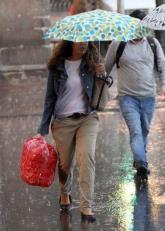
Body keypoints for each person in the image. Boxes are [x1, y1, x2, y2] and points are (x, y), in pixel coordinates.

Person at [37, 40, 104, 223]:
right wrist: (42, 129)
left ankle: (86, 207)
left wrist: (101, 75)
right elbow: (49, 98)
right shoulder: (57, 66)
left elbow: (101, 92)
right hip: (63, 122)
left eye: (86, 41)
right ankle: (64, 193)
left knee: (86, 158)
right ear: (70, 42)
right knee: (65, 164)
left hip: (87, 118)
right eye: (79, 42)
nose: (83, 45)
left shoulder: (91, 62)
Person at [104, 9, 165, 181]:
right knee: (135, 131)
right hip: (127, 97)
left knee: (145, 130)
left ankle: (139, 159)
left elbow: (162, 66)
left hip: (148, 96)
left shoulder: (152, 43)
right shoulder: (118, 44)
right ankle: (141, 163)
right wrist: (100, 85)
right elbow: (106, 68)